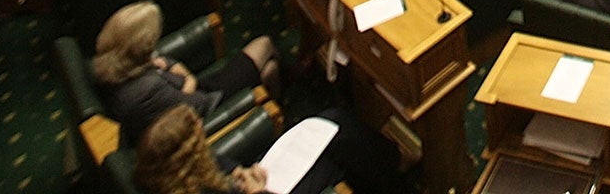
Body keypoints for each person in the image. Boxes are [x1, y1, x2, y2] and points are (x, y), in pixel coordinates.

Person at [90, 1, 281, 145]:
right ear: (141, 47)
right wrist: (188, 79)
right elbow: (195, 105)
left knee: (269, 70)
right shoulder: (146, 90)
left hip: (188, 92)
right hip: (211, 105)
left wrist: (179, 75)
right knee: (264, 46)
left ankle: (281, 89)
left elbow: (165, 61)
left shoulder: (112, 60)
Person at [130, 102, 405, 194]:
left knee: (330, 123)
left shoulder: (166, 175)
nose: (203, 127)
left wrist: (239, 171)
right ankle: (394, 170)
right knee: (337, 144)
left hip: (253, 183)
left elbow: (217, 162)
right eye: (197, 133)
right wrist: (256, 188)